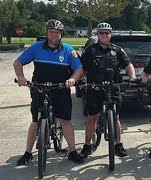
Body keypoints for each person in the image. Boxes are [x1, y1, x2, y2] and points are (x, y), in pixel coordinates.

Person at [14, 19, 84, 165]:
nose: (54, 34)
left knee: (65, 121)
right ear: (46, 33)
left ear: (61, 34)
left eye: (57, 32)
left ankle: (72, 151)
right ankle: (27, 153)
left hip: (60, 89)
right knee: (35, 121)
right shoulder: (36, 47)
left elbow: (79, 69)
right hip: (39, 89)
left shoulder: (68, 50)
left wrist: (72, 79)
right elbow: (18, 62)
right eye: (51, 31)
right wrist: (21, 77)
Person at [79, 22, 136, 158]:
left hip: (113, 88)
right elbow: (81, 68)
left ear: (110, 35)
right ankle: (87, 146)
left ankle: (118, 145)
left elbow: (128, 64)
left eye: (107, 33)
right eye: (101, 33)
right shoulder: (90, 50)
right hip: (95, 88)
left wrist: (132, 77)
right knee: (92, 117)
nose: (104, 35)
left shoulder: (117, 50)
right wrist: (81, 80)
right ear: (97, 34)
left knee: (116, 117)